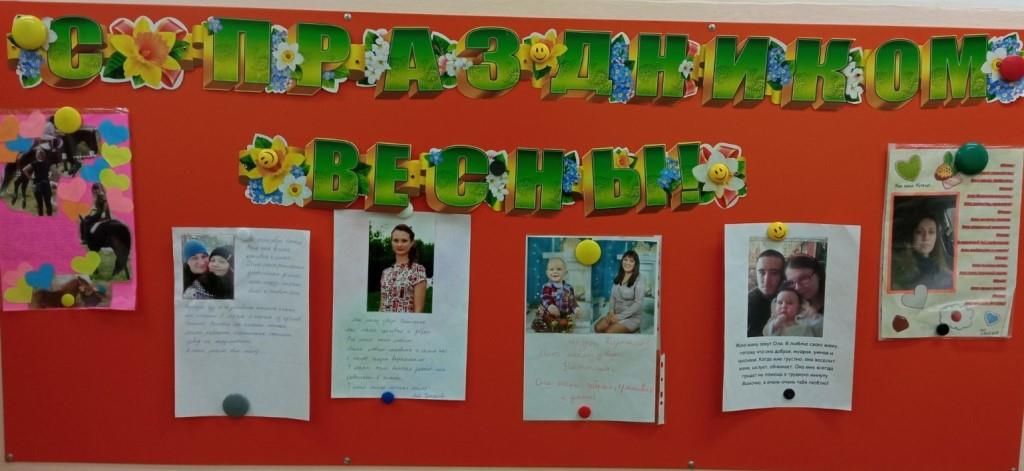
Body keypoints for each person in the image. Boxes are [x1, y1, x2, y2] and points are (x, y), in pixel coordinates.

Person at [891, 214, 953, 290]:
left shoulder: (941, 268)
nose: (926, 237)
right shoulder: (900, 268)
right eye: (919, 232)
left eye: (931, 232)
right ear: (911, 235)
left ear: (936, 237)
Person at [378, 224, 427, 312]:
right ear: (391, 242)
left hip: (405, 321)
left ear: (412, 243)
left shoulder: (418, 270)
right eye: (395, 240)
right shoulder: (385, 272)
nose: (399, 244)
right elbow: (382, 306)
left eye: (404, 241)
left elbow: (418, 310)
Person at [594, 250, 644, 334]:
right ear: (622, 261)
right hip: (615, 313)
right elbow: (612, 296)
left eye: (631, 261)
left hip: (631, 317)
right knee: (597, 328)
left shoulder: (640, 279)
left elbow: (638, 303)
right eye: (625, 260)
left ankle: (635, 329)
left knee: (609, 332)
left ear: (635, 264)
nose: (627, 263)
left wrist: (619, 317)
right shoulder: (619, 275)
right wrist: (611, 312)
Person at [531, 257, 580, 332]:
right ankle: (545, 324)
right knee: (546, 318)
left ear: (565, 273)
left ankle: (560, 325)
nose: (555, 272)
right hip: (549, 313)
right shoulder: (547, 286)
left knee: (566, 322)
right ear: (547, 273)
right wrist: (550, 305)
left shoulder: (568, 288)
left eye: (559, 269)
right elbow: (545, 298)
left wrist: (576, 308)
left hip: (563, 314)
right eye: (551, 269)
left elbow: (572, 300)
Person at [747, 249, 785, 337]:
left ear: (783, 275)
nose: (767, 280)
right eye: (761, 272)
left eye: (774, 273)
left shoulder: (790, 299)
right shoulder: (747, 302)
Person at [21, 147, 53, 216]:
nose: (40, 155)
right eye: (40, 154)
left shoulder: (36, 163)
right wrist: (30, 177)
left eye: (41, 154)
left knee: (42, 204)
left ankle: (44, 218)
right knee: (46, 203)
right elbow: (24, 170)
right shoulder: (43, 163)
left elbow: (24, 170)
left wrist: (30, 178)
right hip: (42, 184)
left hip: (39, 184)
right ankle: (48, 218)